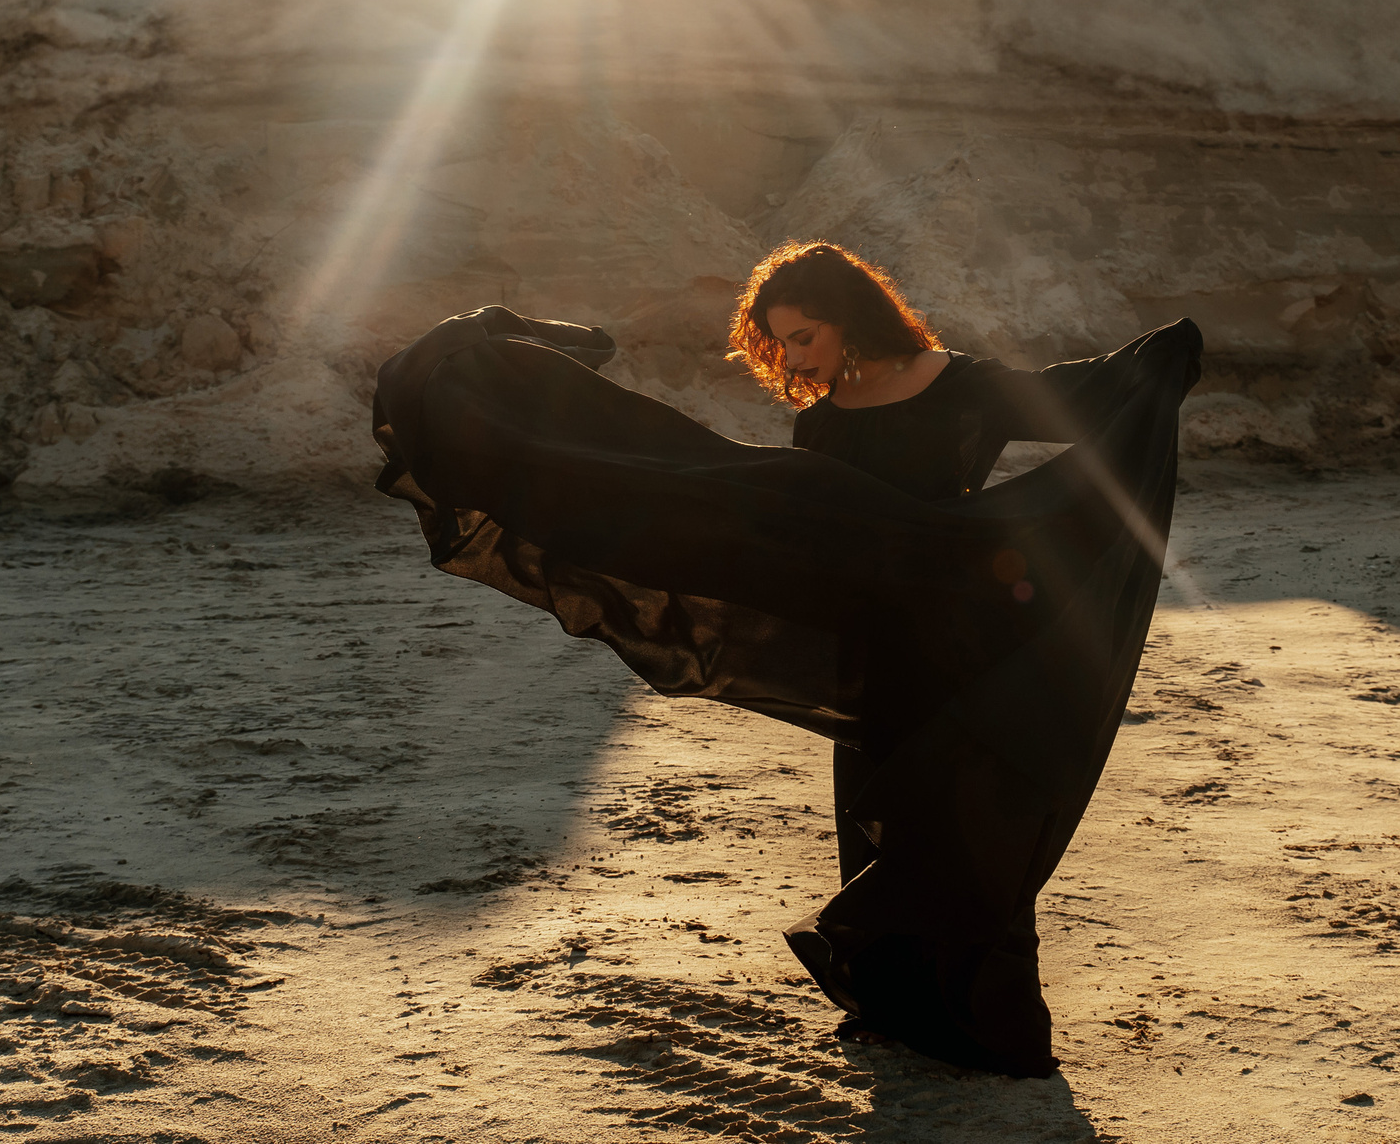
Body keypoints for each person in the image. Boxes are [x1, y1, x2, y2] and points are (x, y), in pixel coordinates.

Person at [370, 239, 1199, 1077]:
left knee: (966, 821)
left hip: (958, 633)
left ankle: (998, 1024)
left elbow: (1079, 397)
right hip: (873, 644)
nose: (794, 356)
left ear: (852, 318)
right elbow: (808, 528)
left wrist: (1158, 358)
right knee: (874, 818)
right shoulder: (825, 416)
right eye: (783, 340)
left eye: (805, 336)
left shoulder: (965, 385)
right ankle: (896, 1007)